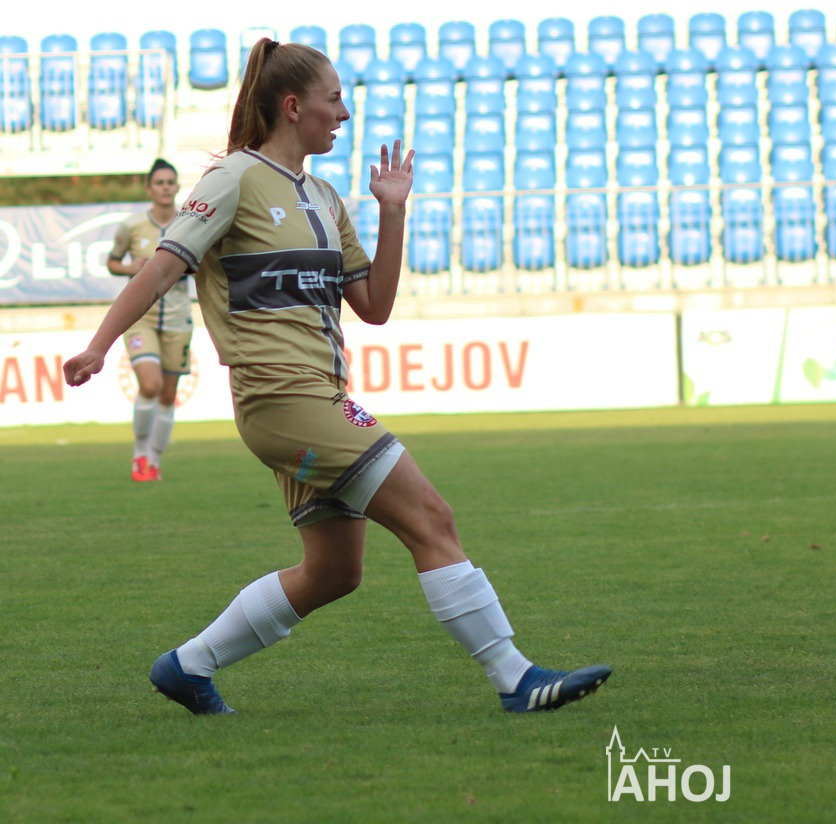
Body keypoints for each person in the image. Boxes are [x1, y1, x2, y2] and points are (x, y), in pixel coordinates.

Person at [63, 38, 610, 714]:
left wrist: (393, 210)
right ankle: (515, 677)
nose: (345, 114)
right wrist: (99, 346)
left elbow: (374, 306)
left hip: (316, 397)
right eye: (335, 99)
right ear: (294, 107)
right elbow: (162, 268)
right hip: (280, 397)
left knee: (333, 571)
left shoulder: (323, 196)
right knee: (431, 517)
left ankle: (187, 666)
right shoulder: (234, 178)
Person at [106, 158, 188, 482]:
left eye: (170, 182)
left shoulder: (189, 223)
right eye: (159, 183)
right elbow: (113, 262)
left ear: (177, 186)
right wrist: (131, 268)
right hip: (141, 317)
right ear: (149, 188)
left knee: (167, 395)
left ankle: (154, 461)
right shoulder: (132, 225)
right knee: (150, 385)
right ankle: (140, 456)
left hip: (179, 319)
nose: (165, 188)